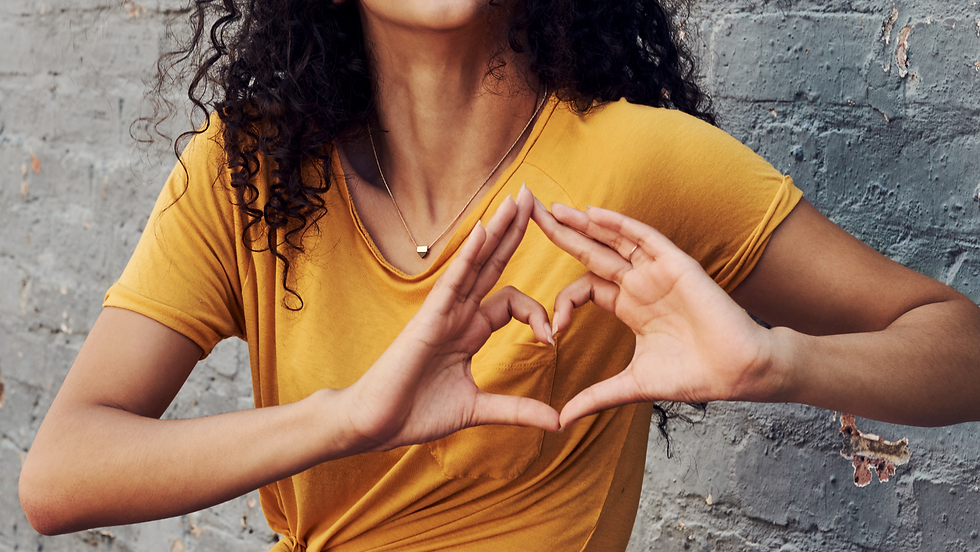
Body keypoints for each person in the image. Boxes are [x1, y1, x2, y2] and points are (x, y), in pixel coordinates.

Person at [18, 0, 980, 550]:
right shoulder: (247, 169)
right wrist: (353, 416)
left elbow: (957, 344)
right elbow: (59, 477)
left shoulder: (640, 164)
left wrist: (779, 363)